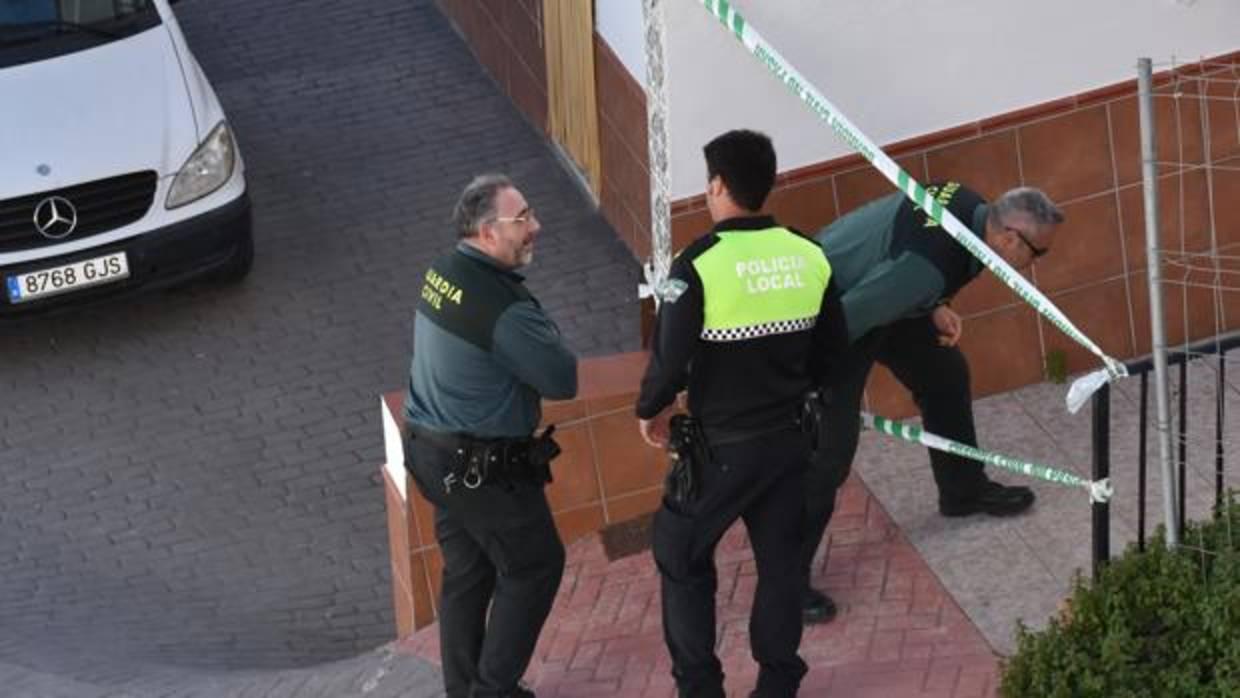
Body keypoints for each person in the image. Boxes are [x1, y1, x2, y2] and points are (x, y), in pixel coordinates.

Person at [637, 129, 849, 698]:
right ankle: (778, 684)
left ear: (719, 186)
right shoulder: (810, 255)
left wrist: (649, 409)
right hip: (789, 445)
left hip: (719, 453)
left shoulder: (699, 263)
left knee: (680, 556)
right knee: (781, 569)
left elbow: (669, 354)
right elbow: (834, 356)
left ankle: (700, 688)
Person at [799, 182, 1064, 624]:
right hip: (828, 314)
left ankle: (962, 489)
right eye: (1037, 254)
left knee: (943, 373)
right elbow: (850, 316)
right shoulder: (929, 266)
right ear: (1009, 239)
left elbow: (900, 257)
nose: (1033, 266)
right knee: (831, 450)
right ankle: (783, 583)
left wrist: (931, 304)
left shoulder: (969, 207)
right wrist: (800, 380)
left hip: (885, 290)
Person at [403, 173, 578, 698]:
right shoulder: (500, 305)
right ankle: (492, 690)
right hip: (481, 468)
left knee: (469, 571)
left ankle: (464, 687)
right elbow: (562, 378)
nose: (535, 227)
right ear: (484, 231)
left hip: (432, 454)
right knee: (534, 566)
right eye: (521, 219)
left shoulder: (443, 269)